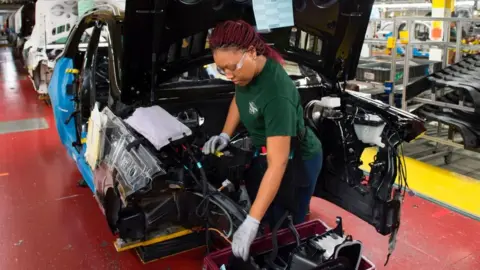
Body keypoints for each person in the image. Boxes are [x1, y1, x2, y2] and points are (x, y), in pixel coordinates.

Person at [202, 20, 323, 261]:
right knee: (269, 212)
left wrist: (251, 221)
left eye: (231, 67)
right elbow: (239, 100)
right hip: (269, 153)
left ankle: (289, 259)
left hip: (299, 160)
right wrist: (225, 134)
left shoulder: (277, 94)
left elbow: (278, 164)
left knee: (288, 222)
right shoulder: (244, 74)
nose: (228, 75)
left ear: (252, 52)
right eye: (220, 69)